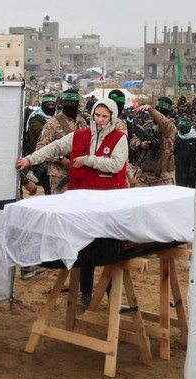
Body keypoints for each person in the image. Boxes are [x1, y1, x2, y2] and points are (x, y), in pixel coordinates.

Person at [16, 98, 129, 307]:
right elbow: (54, 147)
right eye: (97, 115)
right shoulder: (80, 136)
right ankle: (86, 294)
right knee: (86, 249)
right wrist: (30, 160)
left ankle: (111, 293)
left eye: (105, 116)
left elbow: (116, 164)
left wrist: (88, 160)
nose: (100, 120)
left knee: (111, 249)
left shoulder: (119, 138)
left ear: (112, 117)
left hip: (108, 204)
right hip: (83, 203)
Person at [35, 88, 88, 195]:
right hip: (59, 175)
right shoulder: (52, 123)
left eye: (73, 102)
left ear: (78, 103)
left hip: (79, 172)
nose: (71, 105)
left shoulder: (82, 122)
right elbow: (40, 149)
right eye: (67, 102)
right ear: (62, 103)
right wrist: (60, 158)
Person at [131, 97, 177, 186]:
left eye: (162, 111)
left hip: (163, 177)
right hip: (143, 176)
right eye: (157, 109)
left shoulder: (170, 127)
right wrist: (140, 144)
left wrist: (151, 110)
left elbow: (163, 121)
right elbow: (133, 140)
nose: (158, 112)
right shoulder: (148, 125)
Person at [23, 94, 56, 195]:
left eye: (52, 105)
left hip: (54, 159)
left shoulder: (56, 118)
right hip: (38, 158)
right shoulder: (35, 118)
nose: (51, 107)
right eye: (48, 105)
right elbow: (39, 133)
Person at [175, 117, 196, 188]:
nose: (181, 128)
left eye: (183, 127)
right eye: (180, 126)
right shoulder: (177, 137)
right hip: (179, 168)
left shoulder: (195, 138)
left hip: (192, 168)